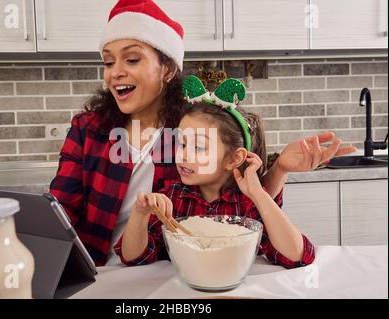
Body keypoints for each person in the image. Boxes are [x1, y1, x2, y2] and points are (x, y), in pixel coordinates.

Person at [49, 0, 355, 266]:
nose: (115, 71)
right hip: (97, 270)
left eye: (131, 59)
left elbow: (237, 198)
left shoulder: (194, 126)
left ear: (167, 69)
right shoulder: (88, 129)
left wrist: (280, 169)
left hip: (169, 271)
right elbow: (60, 215)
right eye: (108, 61)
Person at [116, 77, 314, 268]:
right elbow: (133, 258)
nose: (183, 155)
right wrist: (140, 214)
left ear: (233, 159)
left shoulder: (249, 204)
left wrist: (259, 195)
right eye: (182, 144)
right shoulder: (173, 197)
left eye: (198, 148)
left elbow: (297, 256)